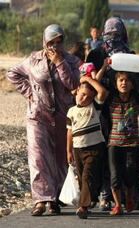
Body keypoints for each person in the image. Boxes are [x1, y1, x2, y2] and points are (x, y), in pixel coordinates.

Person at [6, 24, 80, 216]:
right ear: (44, 41)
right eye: (51, 42)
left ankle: (56, 199)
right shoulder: (33, 59)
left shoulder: (72, 61)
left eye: (59, 41)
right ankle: (41, 199)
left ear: (63, 41)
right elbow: (13, 74)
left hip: (64, 116)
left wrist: (59, 62)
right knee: (38, 157)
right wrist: (29, 92)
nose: (55, 46)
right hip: (37, 116)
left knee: (60, 158)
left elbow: (73, 84)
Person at [86, 17, 139, 210]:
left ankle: (131, 193)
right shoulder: (96, 54)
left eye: (117, 33)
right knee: (105, 153)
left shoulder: (130, 55)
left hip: (126, 112)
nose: (113, 37)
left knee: (130, 158)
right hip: (102, 110)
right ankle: (106, 193)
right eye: (109, 33)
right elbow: (89, 78)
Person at [103, 56, 139, 215]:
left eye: (127, 80)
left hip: (132, 144)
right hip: (114, 144)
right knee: (115, 176)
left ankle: (130, 198)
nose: (124, 83)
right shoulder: (111, 98)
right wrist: (104, 67)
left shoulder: (135, 98)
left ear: (132, 84)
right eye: (120, 81)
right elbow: (97, 85)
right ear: (116, 84)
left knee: (131, 174)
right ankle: (118, 205)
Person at [66, 76, 108, 219]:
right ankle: (90, 200)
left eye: (88, 97)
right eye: (82, 94)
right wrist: (68, 151)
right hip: (78, 149)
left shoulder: (94, 107)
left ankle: (83, 206)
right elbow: (70, 132)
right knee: (81, 178)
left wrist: (88, 80)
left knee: (86, 176)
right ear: (77, 91)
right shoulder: (71, 111)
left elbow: (102, 92)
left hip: (94, 147)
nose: (84, 99)